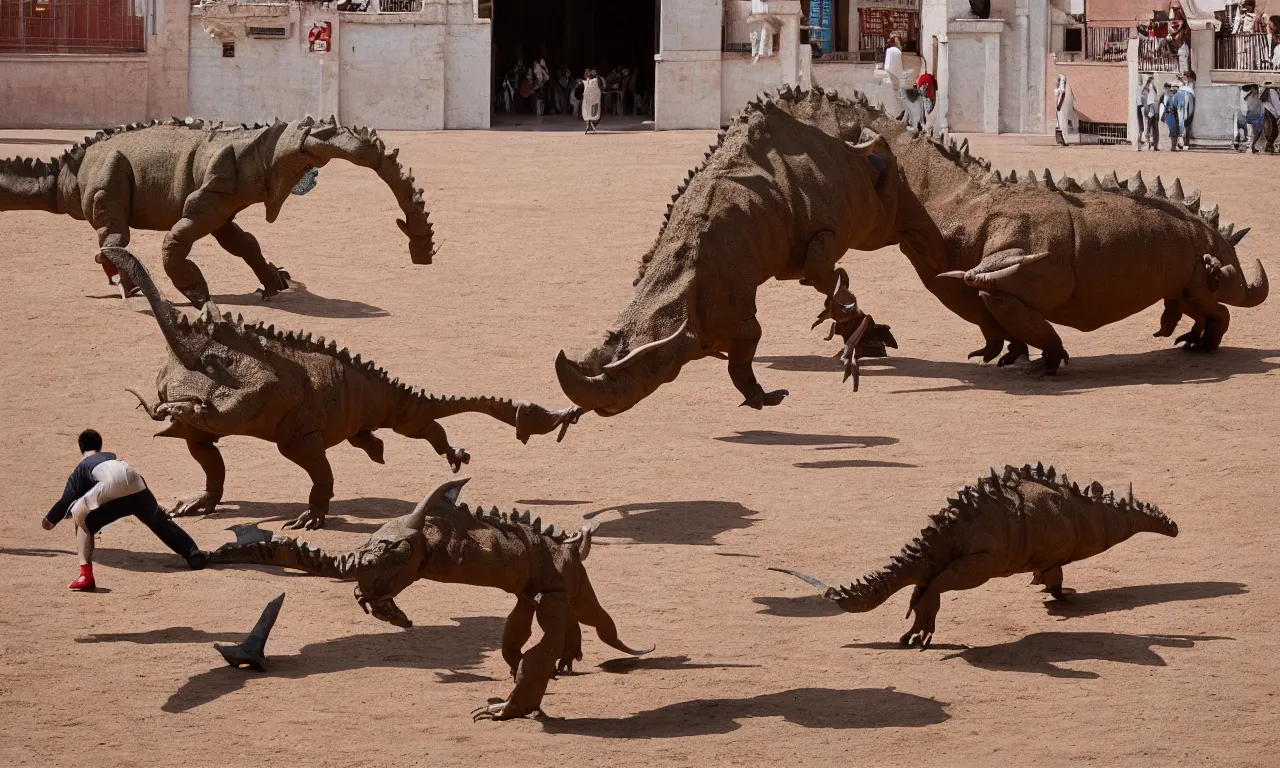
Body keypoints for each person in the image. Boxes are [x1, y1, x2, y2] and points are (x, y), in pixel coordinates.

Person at [41, 429, 208, 591]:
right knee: (158, 521)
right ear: (100, 447)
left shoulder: (83, 466)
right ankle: (193, 553)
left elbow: (66, 500)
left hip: (112, 490)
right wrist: (153, 506)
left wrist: (50, 520)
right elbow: (135, 479)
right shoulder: (113, 458)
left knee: (81, 519)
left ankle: (86, 576)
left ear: (81, 448)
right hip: (136, 485)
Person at [1137, 74, 1161, 150]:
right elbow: (1144, 98)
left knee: (1152, 127)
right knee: (1147, 126)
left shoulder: (1151, 88)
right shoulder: (1143, 89)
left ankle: (1152, 144)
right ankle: (1148, 144)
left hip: (1151, 107)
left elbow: (1153, 98)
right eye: (1149, 79)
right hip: (1147, 108)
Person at [1054, 73, 1079, 145]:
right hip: (1060, 107)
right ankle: (1061, 139)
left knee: (1062, 123)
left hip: (1061, 107)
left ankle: (1064, 140)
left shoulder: (1062, 90)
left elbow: (1062, 94)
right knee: (1060, 123)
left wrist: (1059, 105)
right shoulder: (1063, 88)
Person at [1234, 0, 1259, 69]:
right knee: (1239, 53)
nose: (1247, 9)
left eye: (1249, 8)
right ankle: (1241, 68)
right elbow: (1237, 23)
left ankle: (1249, 69)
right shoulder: (1241, 15)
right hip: (1241, 36)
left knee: (1249, 54)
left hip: (1249, 37)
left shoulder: (1253, 16)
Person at [1175, 69, 1196, 149]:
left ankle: (1180, 138)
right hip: (1188, 95)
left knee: (1180, 115)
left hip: (1181, 94)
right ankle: (1183, 140)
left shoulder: (1185, 83)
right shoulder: (1191, 84)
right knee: (1187, 117)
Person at [1160, 81, 1182, 151]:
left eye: (1175, 90)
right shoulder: (1170, 98)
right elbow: (1166, 107)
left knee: (1176, 130)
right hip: (1171, 115)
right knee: (1173, 130)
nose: (1174, 92)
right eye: (1173, 90)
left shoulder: (1177, 98)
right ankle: (1173, 146)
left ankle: (1174, 146)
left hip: (1176, 115)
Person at [581, 68, 603, 133]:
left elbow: (600, 87)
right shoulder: (585, 81)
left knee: (592, 112)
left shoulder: (596, 79)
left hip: (594, 99)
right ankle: (589, 125)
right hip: (588, 99)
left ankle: (591, 125)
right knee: (588, 112)